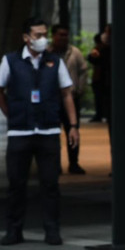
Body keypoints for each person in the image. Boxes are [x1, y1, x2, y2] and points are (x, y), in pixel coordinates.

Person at [0, 17, 79, 246]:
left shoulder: (54, 62)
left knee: (50, 184)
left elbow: (67, 93)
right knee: (16, 184)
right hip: (20, 132)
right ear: (26, 37)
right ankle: (13, 230)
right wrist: (10, 113)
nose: (43, 39)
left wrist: (73, 125)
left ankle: (52, 230)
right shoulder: (11, 61)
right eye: (38, 35)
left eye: (44, 34)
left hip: (48, 130)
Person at [50, 24, 89, 175]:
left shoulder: (74, 53)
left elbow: (83, 71)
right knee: (53, 134)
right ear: (53, 36)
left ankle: (74, 163)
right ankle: (55, 164)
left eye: (66, 34)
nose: (64, 37)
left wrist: (79, 89)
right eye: (61, 34)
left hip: (71, 98)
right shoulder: (47, 53)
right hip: (52, 99)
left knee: (73, 130)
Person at [87, 24, 112, 130]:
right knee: (99, 98)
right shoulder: (100, 47)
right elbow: (93, 59)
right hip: (101, 78)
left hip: (108, 80)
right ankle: (100, 114)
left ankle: (104, 114)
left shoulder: (109, 49)